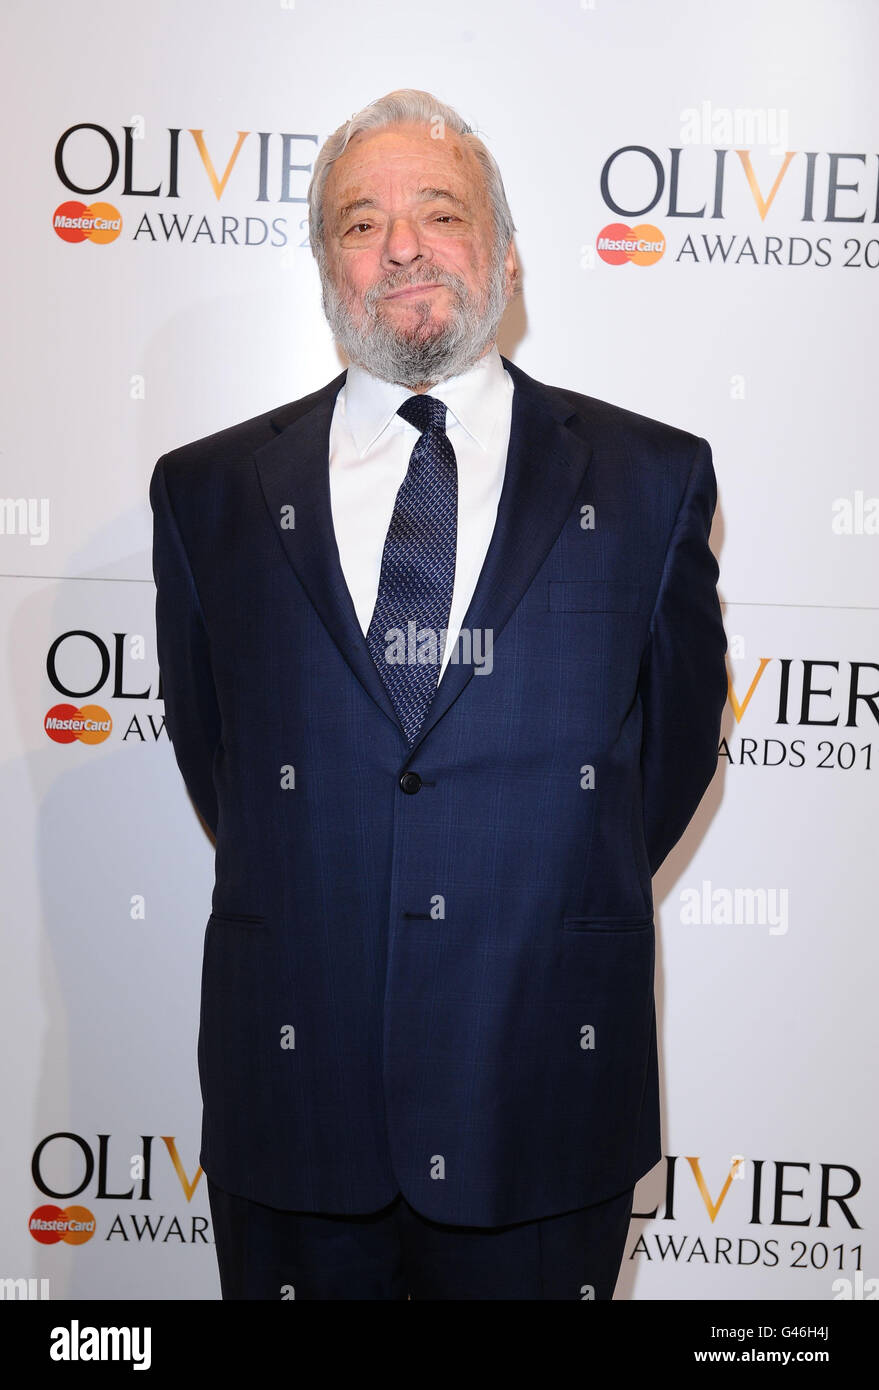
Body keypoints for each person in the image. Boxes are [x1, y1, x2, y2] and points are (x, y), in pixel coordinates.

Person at [150, 88, 728, 1300]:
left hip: (542, 1100)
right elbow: (223, 765)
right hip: (296, 1112)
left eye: (440, 213)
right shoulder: (206, 493)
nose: (401, 245)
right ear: (325, 271)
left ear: (506, 256)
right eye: (359, 223)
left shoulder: (650, 481)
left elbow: (661, 770)